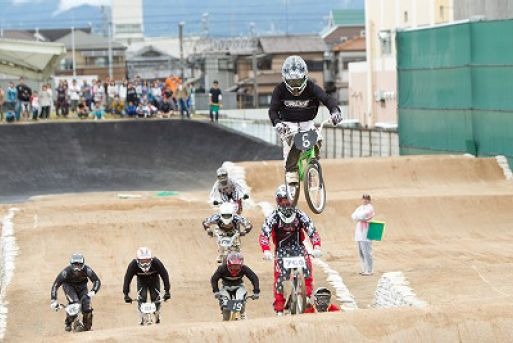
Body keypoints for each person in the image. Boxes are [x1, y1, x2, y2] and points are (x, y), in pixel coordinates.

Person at [269, 55, 343, 187]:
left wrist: (335, 111)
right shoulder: (279, 90)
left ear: (305, 77)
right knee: (291, 149)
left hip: (307, 122)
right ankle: (291, 171)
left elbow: (327, 99)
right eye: (292, 82)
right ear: (285, 80)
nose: (296, 87)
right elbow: (273, 110)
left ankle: (312, 159)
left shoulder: (311, 87)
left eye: (298, 81)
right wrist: (277, 123)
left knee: (318, 138)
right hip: (287, 124)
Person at [259, 185, 322, 316]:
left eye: (288, 199)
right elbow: (264, 233)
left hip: (298, 247)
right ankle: (279, 306)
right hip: (282, 250)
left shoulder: (300, 214)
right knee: (280, 278)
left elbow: (311, 230)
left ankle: (308, 296)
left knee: (307, 270)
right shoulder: (274, 216)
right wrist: (266, 250)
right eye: (282, 200)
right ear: (278, 201)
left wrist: (316, 246)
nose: (286, 203)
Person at [50, 253, 101, 332]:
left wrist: (93, 292)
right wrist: (53, 300)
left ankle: (87, 327)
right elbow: (55, 285)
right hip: (69, 287)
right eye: (75, 265)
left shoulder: (87, 270)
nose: (77, 268)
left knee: (87, 306)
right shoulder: (65, 272)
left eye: (79, 265)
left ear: (83, 265)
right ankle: (70, 322)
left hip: (82, 287)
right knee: (75, 303)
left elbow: (96, 281)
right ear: (71, 264)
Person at [123, 247, 171, 325]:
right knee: (142, 296)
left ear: (151, 260)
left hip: (154, 280)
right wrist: (126, 294)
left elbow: (164, 274)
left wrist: (167, 290)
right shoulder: (133, 265)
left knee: (155, 296)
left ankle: (157, 313)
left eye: (147, 260)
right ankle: (142, 316)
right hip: (142, 281)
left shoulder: (156, 262)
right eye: (142, 261)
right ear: (138, 260)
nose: (145, 264)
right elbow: (127, 278)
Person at [211, 252, 260, 320]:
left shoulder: (244, 268)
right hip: (225, 287)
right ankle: (225, 320)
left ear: (241, 265)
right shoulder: (222, 268)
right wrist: (216, 291)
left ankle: (242, 313)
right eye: (233, 266)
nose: (235, 268)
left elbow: (254, 278)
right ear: (228, 264)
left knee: (240, 300)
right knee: (226, 308)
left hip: (239, 286)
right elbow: (214, 279)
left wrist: (256, 291)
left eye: (237, 266)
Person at [351, 194, 376, 276]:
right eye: (364, 199)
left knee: (367, 252)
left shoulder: (370, 208)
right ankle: (364, 269)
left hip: (367, 232)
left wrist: (359, 217)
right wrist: (359, 217)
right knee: (361, 252)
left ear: (369, 200)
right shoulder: (360, 208)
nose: (365, 200)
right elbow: (354, 216)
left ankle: (369, 270)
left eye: (367, 199)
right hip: (359, 233)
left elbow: (363, 215)